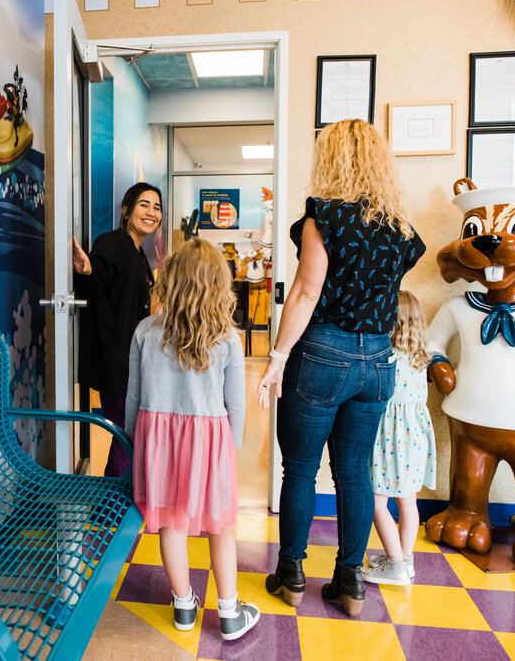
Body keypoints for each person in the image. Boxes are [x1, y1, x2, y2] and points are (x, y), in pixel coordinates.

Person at [257, 118, 424, 617]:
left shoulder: (322, 217)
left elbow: (307, 292)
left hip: (322, 354)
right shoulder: (399, 229)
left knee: (301, 469)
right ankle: (350, 581)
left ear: (331, 159)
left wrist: (278, 358)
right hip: (377, 359)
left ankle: (290, 574)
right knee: (355, 472)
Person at [126, 238, 259, 641]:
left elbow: (133, 395)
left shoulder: (146, 331)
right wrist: (230, 449)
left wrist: (136, 441)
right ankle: (231, 612)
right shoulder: (227, 338)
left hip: (159, 440)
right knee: (221, 528)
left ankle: (184, 605)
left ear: (170, 280)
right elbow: (235, 402)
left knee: (170, 521)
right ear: (219, 283)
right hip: (209, 440)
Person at [72, 182, 163, 476]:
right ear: (126, 210)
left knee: (128, 435)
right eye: (144, 205)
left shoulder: (136, 251)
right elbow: (98, 279)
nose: (151, 212)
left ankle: (113, 506)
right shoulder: (114, 242)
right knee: (129, 434)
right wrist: (87, 271)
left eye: (157, 207)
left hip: (129, 358)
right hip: (116, 360)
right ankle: (112, 507)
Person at [362, 290, 436, 586]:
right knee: (408, 501)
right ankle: (405, 559)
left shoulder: (386, 356)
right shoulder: (422, 356)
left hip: (389, 437)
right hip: (416, 436)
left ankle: (395, 565)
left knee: (376, 501)